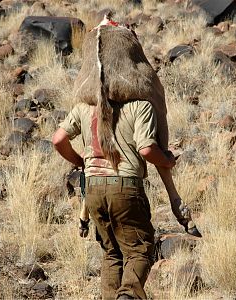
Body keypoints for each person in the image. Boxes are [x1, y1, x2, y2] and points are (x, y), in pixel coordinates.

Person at [52, 99, 179, 299]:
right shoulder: (140, 106)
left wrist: (83, 163)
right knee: (139, 249)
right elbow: (146, 149)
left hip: (93, 189)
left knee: (112, 253)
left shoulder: (85, 107)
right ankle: (128, 295)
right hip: (125, 187)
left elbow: (58, 139)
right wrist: (167, 161)